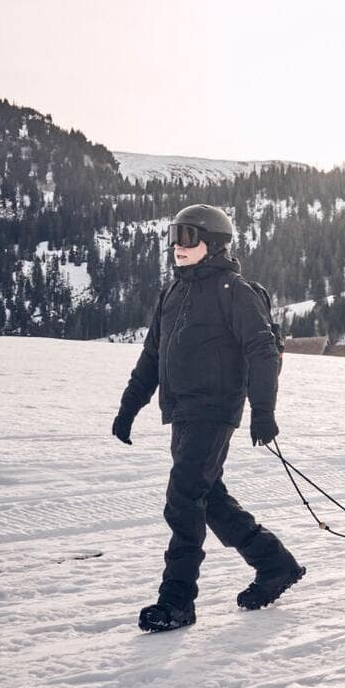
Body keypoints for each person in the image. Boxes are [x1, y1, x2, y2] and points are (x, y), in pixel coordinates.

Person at [113, 203, 305, 633]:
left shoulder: (235, 291)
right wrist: (129, 407)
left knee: (183, 498)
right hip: (180, 410)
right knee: (208, 497)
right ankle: (275, 563)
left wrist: (263, 410)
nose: (178, 247)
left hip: (216, 409)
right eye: (174, 237)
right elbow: (152, 356)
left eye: (189, 237)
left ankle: (177, 600)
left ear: (213, 244)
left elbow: (260, 350)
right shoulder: (173, 293)